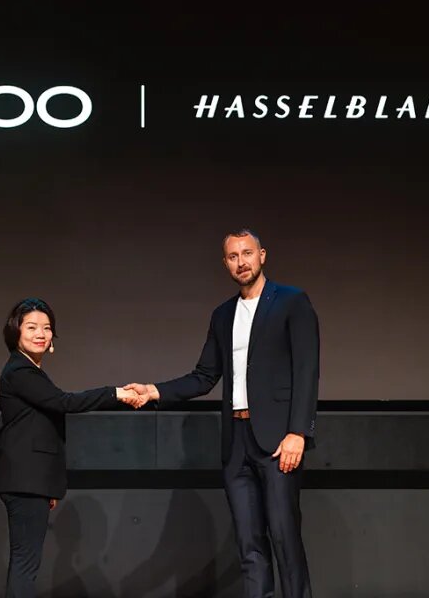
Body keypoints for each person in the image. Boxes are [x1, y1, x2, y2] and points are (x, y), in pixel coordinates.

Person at [126, 229, 320, 598]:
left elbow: (307, 370)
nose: (241, 262)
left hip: (278, 440)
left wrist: (298, 432)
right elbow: (204, 376)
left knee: (284, 538)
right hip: (236, 442)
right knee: (250, 544)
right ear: (225, 263)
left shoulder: (292, 302)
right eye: (233, 256)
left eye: (247, 253)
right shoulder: (222, 314)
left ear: (262, 255)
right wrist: (154, 391)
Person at [0, 297, 144, 598]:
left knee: (25, 563)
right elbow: (64, 402)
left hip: (31, 481)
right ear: (16, 331)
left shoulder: (27, 371)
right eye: (32, 327)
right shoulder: (20, 371)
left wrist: (47, 484)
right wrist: (115, 393)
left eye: (47, 327)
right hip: (25, 480)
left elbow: (40, 428)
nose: (41, 334)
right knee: (25, 564)